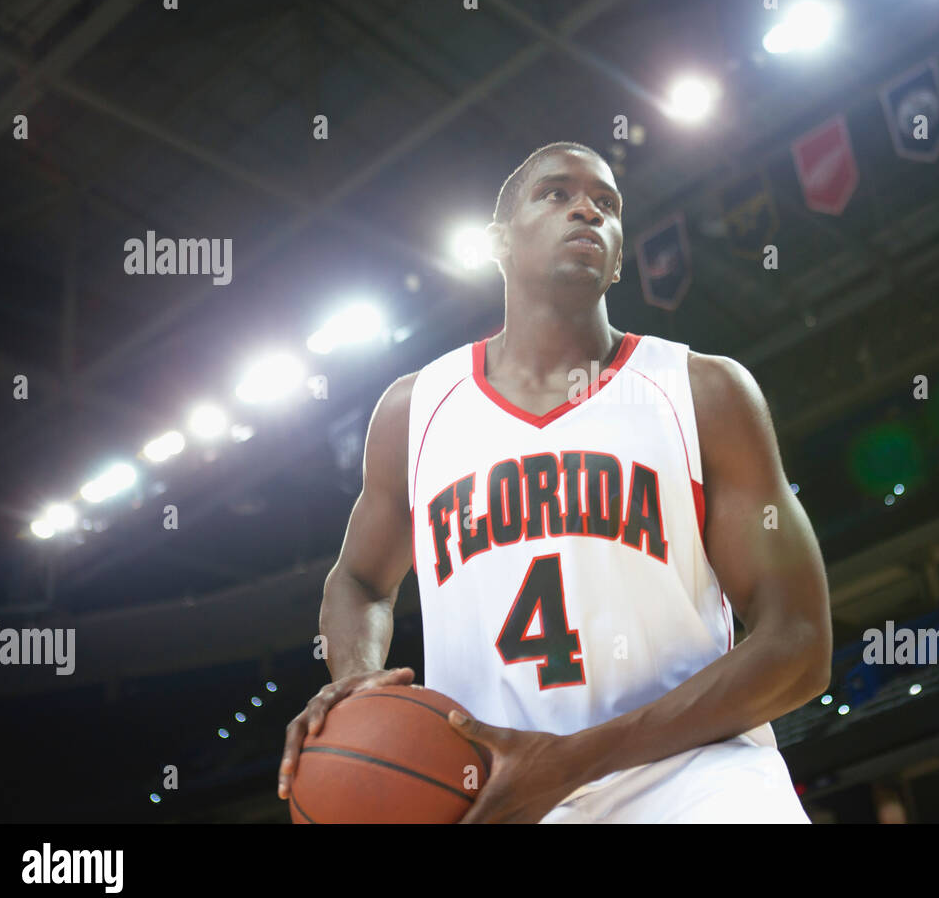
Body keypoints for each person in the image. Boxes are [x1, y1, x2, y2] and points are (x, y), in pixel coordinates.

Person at [277, 142, 832, 822]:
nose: (587, 211)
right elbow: (358, 581)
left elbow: (800, 645)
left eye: (607, 203)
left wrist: (574, 757)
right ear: (498, 242)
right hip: (501, 796)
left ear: (621, 253)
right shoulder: (414, 410)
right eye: (556, 194)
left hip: (697, 777)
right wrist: (359, 683)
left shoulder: (702, 391)